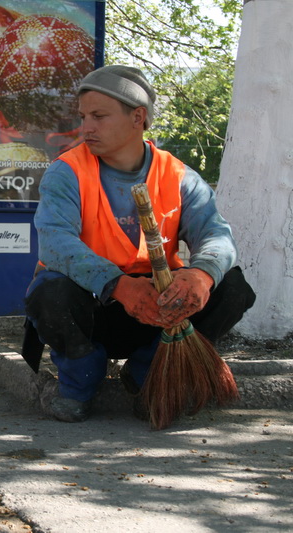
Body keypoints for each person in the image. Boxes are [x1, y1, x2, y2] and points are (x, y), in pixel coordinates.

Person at [22, 65, 256, 423]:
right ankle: (80, 380)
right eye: (84, 116)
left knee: (234, 287)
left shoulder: (179, 176)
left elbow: (216, 235)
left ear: (138, 117)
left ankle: (148, 372)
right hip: (94, 309)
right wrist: (119, 286)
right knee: (50, 291)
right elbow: (55, 243)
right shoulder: (66, 171)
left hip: (160, 313)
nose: (87, 127)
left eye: (99, 116)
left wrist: (200, 276)